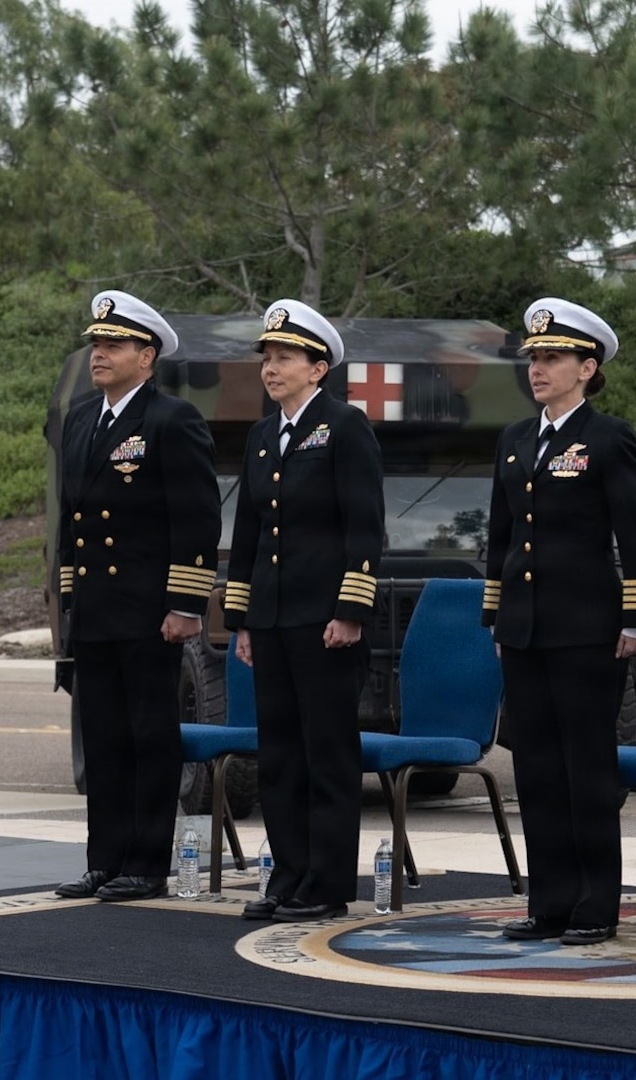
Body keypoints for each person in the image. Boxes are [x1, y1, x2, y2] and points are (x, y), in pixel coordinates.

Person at [482, 297, 636, 946]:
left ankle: (594, 904)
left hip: (587, 627)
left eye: (552, 358)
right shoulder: (514, 440)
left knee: (586, 771)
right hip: (526, 630)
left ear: (587, 367)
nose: (538, 369)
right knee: (534, 770)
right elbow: (500, 538)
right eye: (533, 358)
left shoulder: (606, 437)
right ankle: (548, 901)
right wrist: (497, 618)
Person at [55, 291, 221, 902]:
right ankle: (105, 860)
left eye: (114, 345)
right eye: (96, 344)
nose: (99, 354)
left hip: (151, 612)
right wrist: (71, 598)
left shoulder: (170, 420)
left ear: (146, 356)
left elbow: (197, 519)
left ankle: (147, 863)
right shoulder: (80, 420)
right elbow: (72, 524)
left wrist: (185, 605)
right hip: (98, 609)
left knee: (151, 737)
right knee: (103, 738)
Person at [223, 299, 384, 923]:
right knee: (280, 757)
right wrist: (243, 619)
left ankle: (325, 884)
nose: (271, 368)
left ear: (318, 368)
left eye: (284, 357)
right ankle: (286, 877)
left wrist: (350, 610)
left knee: (327, 756)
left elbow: (364, 528)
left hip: (326, 625)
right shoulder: (265, 437)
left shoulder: (345, 426)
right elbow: (251, 536)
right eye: (267, 357)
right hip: (272, 620)